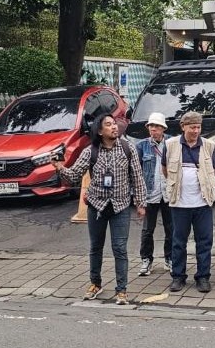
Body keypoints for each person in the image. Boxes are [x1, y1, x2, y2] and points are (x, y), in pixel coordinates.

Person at [54, 114, 146, 305]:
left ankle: (122, 290)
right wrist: (59, 167)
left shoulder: (128, 148)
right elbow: (73, 176)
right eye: (108, 125)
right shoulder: (90, 151)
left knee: (119, 249)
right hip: (96, 206)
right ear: (99, 130)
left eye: (114, 124)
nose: (114, 127)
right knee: (95, 247)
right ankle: (95, 283)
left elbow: (137, 176)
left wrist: (140, 202)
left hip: (120, 206)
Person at [164, 111, 215, 294]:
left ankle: (203, 276)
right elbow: (165, 169)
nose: (196, 131)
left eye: (198, 127)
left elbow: (213, 170)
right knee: (178, 242)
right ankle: (178, 277)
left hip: (203, 203)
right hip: (179, 203)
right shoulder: (171, 145)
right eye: (192, 127)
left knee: (204, 241)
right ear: (183, 127)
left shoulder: (209, 146)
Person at [136, 112, 172, 276]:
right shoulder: (141, 146)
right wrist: (138, 198)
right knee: (147, 230)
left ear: (163, 128)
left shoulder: (172, 143)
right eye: (151, 126)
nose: (153, 129)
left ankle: (169, 258)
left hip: (168, 193)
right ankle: (146, 260)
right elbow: (136, 172)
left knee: (171, 228)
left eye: (157, 126)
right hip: (149, 193)